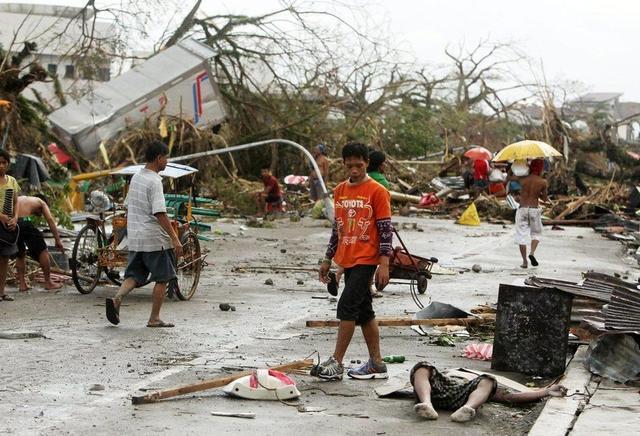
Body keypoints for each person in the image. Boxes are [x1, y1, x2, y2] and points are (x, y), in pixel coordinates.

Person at [313, 142, 393, 380]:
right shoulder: (339, 190)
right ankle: (377, 364)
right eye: (350, 166)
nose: (355, 170)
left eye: (359, 165)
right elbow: (337, 230)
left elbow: (386, 229)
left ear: (367, 163)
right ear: (344, 164)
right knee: (364, 312)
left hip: (367, 259)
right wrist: (328, 259)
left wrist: (384, 264)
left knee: (346, 306)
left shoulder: (378, 191)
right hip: (347, 258)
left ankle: (336, 362)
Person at [105, 141, 183, 327]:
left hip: (136, 238)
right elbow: (160, 213)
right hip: (154, 240)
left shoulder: (137, 177)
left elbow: (128, 205)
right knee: (163, 277)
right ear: (159, 158)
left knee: (134, 275)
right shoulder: (155, 181)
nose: (167, 162)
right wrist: (174, 238)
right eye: (166, 158)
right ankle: (154, 318)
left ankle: (117, 299)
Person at [410, 362, 566, 422]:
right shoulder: (444, 373)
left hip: (465, 397)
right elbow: (421, 380)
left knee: (489, 379)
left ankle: (468, 409)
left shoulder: (481, 381)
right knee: (422, 367)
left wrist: (546, 391)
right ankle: (427, 404)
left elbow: (509, 397)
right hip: (437, 391)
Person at [15, 195, 65, 292]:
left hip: (13, 224)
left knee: (20, 254)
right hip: (24, 223)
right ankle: (48, 282)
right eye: (40, 213)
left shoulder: (22, 198)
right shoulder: (41, 202)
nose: (40, 214)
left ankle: (22, 284)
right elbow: (50, 220)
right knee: (43, 251)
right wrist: (57, 240)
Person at [516, 159, 549, 269]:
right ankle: (532, 253)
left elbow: (510, 179)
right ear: (540, 168)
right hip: (534, 209)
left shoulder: (523, 180)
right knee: (536, 234)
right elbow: (544, 199)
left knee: (521, 236)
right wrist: (539, 193)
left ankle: (525, 262)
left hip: (522, 209)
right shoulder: (542, 182)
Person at [0, 150, 19, 301]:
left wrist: (15, 218)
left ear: (8, 164)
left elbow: (16, 201)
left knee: (4, 259)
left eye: (3, 162)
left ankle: (1, 292)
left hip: (7, 226)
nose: (1, 165)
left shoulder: (12, 181)